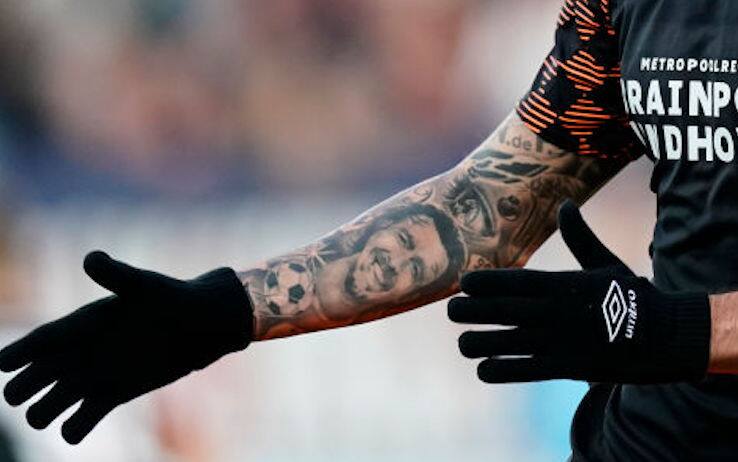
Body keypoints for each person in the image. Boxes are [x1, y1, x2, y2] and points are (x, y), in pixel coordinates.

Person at [1, 0, 738, 460]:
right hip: (653, 439)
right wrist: (229, 307)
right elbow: (486, 208)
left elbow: (671, 330)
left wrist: (680, 332)